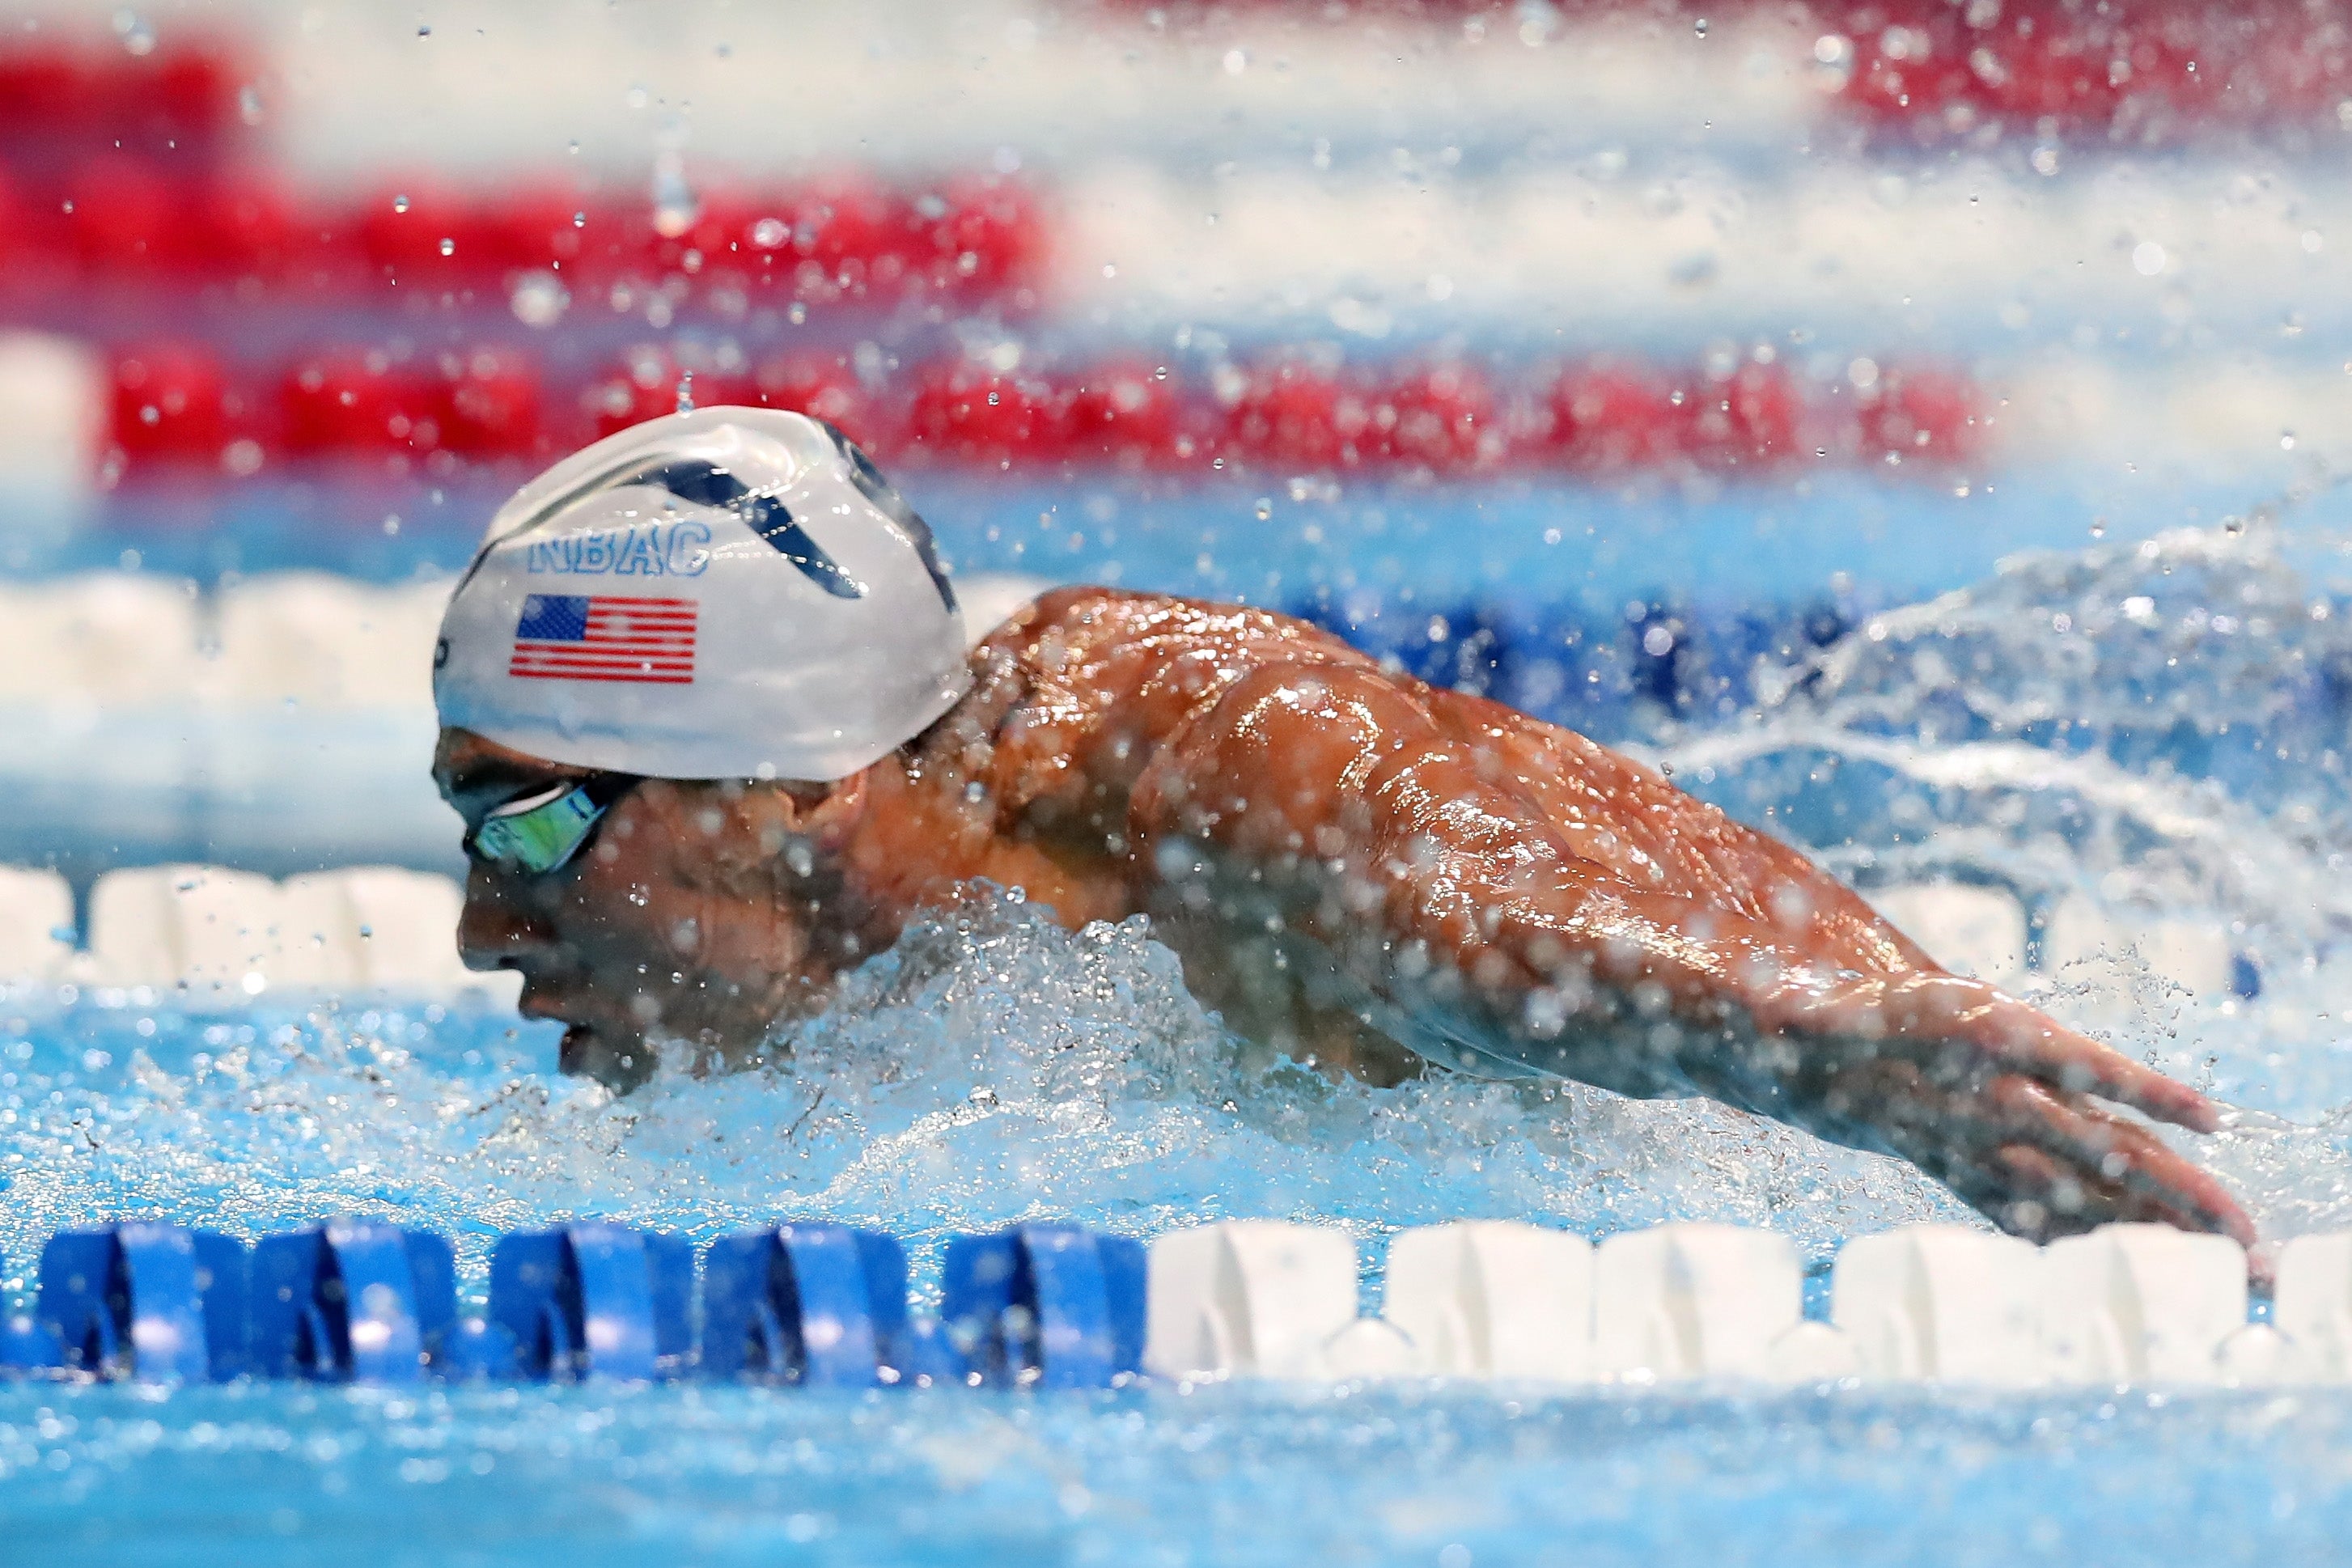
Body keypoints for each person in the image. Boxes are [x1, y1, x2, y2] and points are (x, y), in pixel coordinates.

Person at [432, 407, 2253, 1248]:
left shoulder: (1170, 747)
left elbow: (1439, 916)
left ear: (787, 787)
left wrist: (1813, 1047)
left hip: (1914, 1175)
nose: (477, 934)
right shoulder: (895, 971)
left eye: (521, 833)